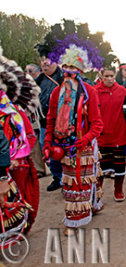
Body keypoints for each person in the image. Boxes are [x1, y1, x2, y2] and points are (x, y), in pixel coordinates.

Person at [42, 35, 105, 236]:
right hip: (62, 146)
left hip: (84, 146)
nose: (69, 71)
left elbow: (97, 124)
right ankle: (72, 220)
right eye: (66, 66)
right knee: (71, 185)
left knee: (86, 181)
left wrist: (84, 139)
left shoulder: (90, 92)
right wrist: (47, 144)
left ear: (81, 70)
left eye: (74, 67)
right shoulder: (55, 93)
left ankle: (90, 207)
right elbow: (50, 120)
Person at [0, 46, 41, 237]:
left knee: (18, 200)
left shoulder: (16, 113)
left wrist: (16, 157)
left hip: (18, 166)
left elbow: (30, 137)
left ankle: (17, 232)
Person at [95, 67, 126, 202]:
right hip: (102, 134)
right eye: (107, 76)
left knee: (120, 164)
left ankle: (118, 190)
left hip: (118, 133)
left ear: (115, 75)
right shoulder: (94, 91)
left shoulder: (122, 91)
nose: (109, 79)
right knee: (101, 165)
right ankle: (98, 192)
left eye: (112, 76)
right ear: (101, 75)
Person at [35, 53, 64, 191]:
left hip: (62, 123)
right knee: (48, 150)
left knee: (63, 150)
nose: (45, 63)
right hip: (43, 123)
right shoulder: (38, 80)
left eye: (49, 60)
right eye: (43, 60)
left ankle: (67, 179)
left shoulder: (64, 78)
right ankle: (57, 177)